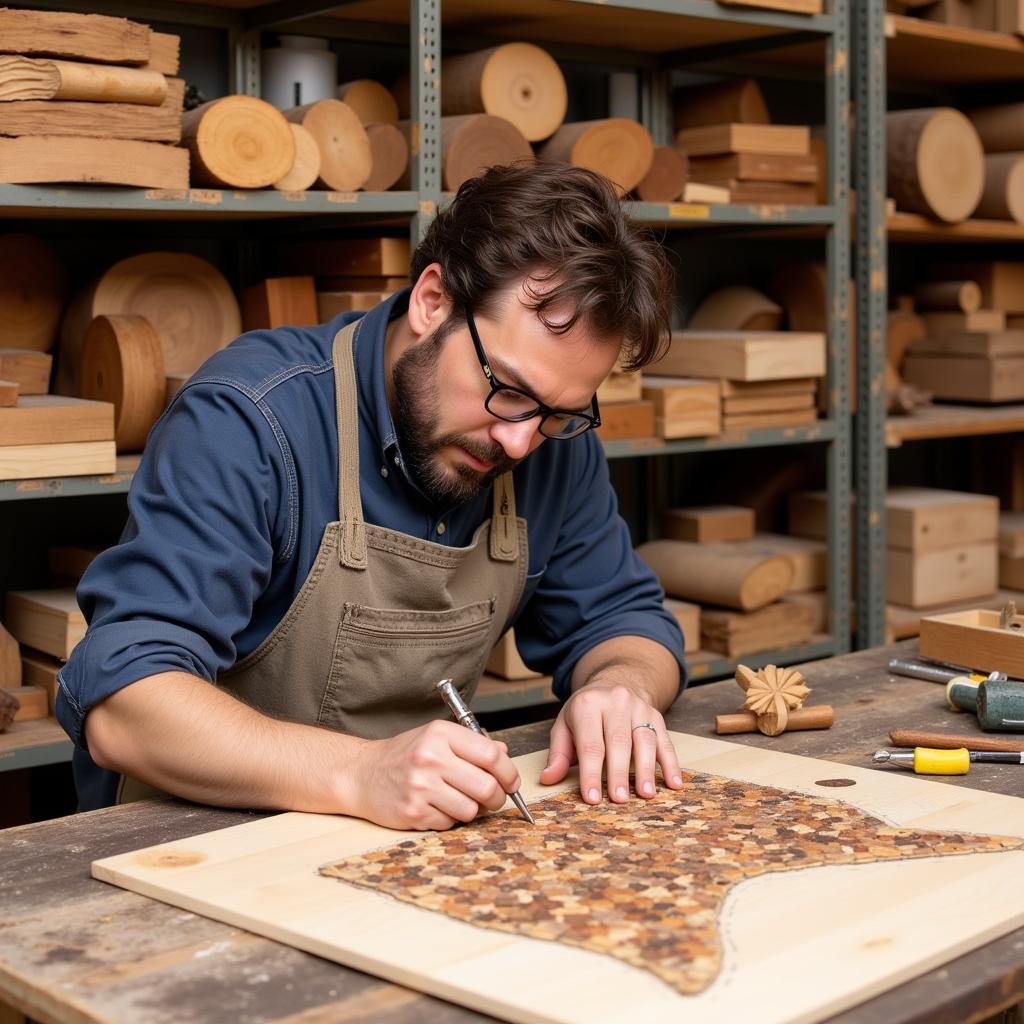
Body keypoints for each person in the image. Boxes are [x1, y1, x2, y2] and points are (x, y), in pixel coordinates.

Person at [56, 162, 688, 830]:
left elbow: (626, 621)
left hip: (399, 839)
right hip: (188, 840)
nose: (520, 440)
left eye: (558, 413)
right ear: (433, 301)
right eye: (506, 388)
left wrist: (619, 687)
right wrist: (360, 773)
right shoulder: (248, 418)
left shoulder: (548, 438)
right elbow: (125, 704)